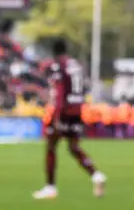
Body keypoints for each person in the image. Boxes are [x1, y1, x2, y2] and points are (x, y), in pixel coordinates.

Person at [33, 39, 107, 200]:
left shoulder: (59, 66)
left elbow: (60, 92)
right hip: (77, 109)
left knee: (51, 146)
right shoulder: (76, 65)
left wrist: (57, 116)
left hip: (65, 110)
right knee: (73, 147)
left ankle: (50, 187)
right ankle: (97, 176)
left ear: (54, 52)